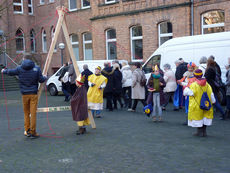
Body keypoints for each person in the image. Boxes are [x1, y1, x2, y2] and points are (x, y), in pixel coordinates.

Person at [1, 54, 47, 139]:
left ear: (24, 59)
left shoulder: (19, 68)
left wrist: (4, 71)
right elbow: (41, 79)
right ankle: (33, 132)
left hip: (24, 94)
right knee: (33, 114)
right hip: (33, 94)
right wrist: (45, 77)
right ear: (31, 59)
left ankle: (27, 130)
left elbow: (11, 72)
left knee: (26, 113)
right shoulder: (36, 68)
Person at [184, 69, 216, 137]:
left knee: (198, 118)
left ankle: (199, 132)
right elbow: (211, 94)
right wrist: (213, 101)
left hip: (197, 105)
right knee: (205, 117)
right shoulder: (207, 84)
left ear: (195, 76)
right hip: (206, 104)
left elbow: (189, 93)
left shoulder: (194, 85)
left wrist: (186, 89)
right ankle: (204, 132)